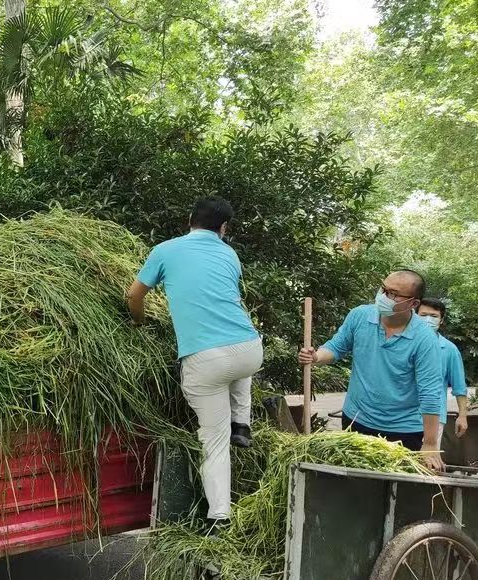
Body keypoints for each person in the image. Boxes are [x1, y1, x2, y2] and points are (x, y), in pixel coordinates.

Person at [126, 197, 263, 528]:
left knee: (213, 441)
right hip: (250, 347)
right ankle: (242, 423)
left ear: (190, 219)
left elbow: (133, 296)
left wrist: (139, 321)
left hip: (205, 358)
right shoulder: (230, 254)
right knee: (239, 364)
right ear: (224, 229)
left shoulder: (164, 250)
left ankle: (220, 517)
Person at [298, 270, 445, 470]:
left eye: (393, 294)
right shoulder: (360, 316)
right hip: (357, 421)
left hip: (403, 431)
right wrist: (316, 356)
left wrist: (429, 444)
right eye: (383, 289)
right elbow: (336, 347)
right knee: (357, 487)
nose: (384, 297)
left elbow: (430, 393)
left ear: (413, 303)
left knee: (398, 490)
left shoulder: (424, 339)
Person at [416, 298, 469, 445]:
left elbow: (459, 386)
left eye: (434, 316)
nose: (428, 319)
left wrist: (462, 416)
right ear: (414, 316)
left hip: (433, 417)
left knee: (427, 461)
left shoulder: (449, 349)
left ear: (441, 320)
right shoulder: (402, 342)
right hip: (400, 416)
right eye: (423, 315)